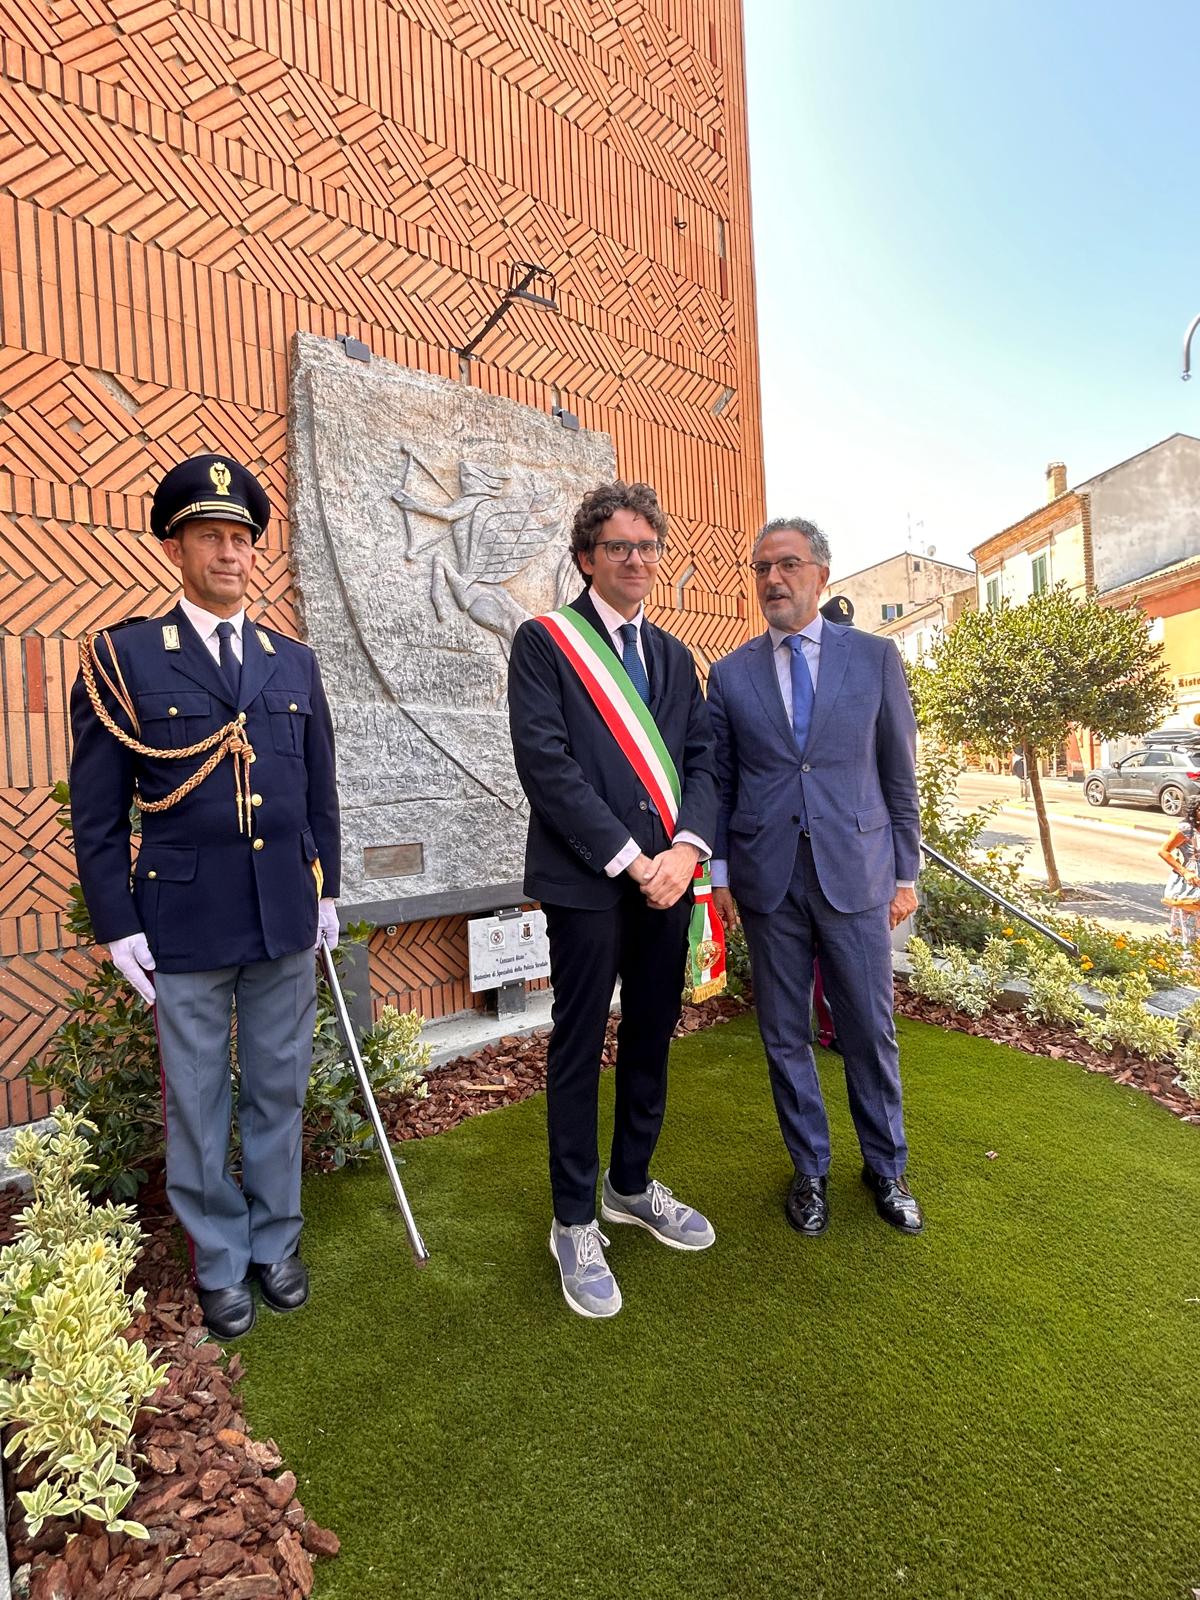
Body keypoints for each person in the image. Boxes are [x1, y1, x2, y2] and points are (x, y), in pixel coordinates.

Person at [69, 454, 341, 1341]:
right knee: (197, 1098)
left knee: (277, 1088)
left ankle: (274, 1245)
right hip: (180, 918)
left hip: (281, 917)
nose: (229, 552)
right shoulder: (126, 658)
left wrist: (327, 890)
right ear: (176, 545)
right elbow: (99, 806)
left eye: (241, 538)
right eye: (210, 536)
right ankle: (220, 1260)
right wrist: (117, 925)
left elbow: (319, 794)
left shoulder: (291, 662)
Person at [507, 481, 718, 1319]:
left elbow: (701, 759)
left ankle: (630, 1184)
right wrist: (636, 861)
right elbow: (546, 763)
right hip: (589, 882)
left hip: (669, 879)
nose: (637, 560)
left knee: (653, 1034)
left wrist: (687, 850)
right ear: (587, 557)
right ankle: (572, 1218)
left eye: (648, 546)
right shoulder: (546, 642)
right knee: (580, 1041)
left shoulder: (672, 657)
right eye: (619, 547)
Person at [707, 516, 923, 1238]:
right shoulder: (731, 673)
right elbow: (724, 779)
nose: (773, 579)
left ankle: (886, 1168)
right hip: (769, 883)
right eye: (762, 567)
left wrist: (906, 872)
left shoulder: (874, 659)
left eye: (789, 565)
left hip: (857, 874)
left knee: (869, 1028)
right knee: (783, 1034)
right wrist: (723, 875)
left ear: (821, 574)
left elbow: (898, 773)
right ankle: (811, 1171)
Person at [1159, 795, 1200, 952]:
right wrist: (1184, 872)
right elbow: (1164, 851)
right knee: (1190, 922)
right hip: (1192, 879)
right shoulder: (1185, 829)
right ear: (1194, 810)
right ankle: (1187, 960)